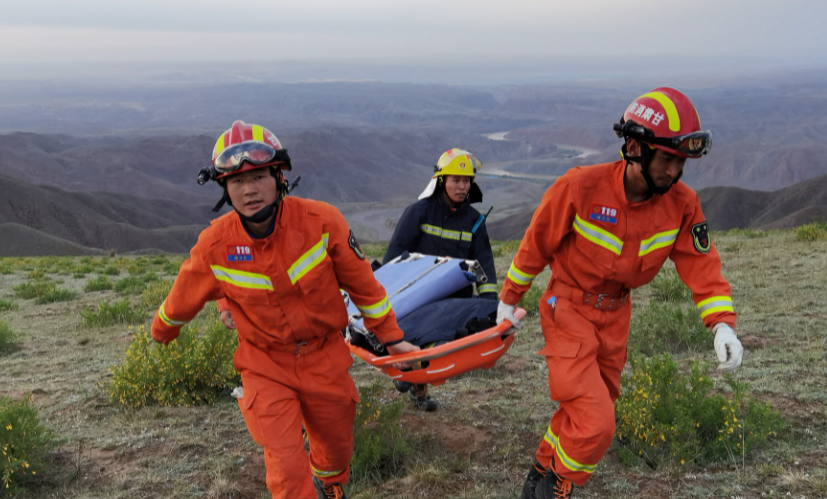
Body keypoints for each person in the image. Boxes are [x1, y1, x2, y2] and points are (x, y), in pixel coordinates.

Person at [495, 88, 745, 498]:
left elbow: (702, 265)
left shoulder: (683, 205)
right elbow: (535, 245)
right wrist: (508, 300)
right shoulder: (579, 188)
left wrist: (722, 325)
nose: (675, 171)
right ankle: (557, 488)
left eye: (682, 161)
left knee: (583, 412)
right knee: (596, 423)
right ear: (633, 148)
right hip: (567, 309)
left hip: (616, 319)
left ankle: (539, 475)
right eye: (667, 159)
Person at [150, 120, 419, 499]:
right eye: (237, 181)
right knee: (286, 469)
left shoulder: (323, 222)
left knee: (337, 448)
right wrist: (162, 331)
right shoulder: (215, 244)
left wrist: (393, 340)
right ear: (225, 188)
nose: (249, 190)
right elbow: (183, 295)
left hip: (325, 357)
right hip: (265, 365)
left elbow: (365, 288)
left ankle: (330, 487)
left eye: (258, 176)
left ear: (279, 176)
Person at [382, 148, 498, 411]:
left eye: (466, 181)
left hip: (455, 300)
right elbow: (394, 256)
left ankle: (414, 379)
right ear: (441, 180)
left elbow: (485, 262)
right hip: (416, 295)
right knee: (417, 339)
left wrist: (489, 303)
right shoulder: (418, 212)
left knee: (439, 344)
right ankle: (414, 383)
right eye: (455, 180)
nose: (461, 186)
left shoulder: (475, 221)